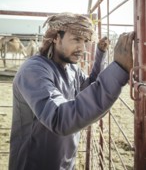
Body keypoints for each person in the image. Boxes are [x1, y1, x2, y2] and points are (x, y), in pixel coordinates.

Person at [9, 12, 134, 170]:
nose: (82, 47)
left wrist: (100, 55)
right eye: (76, 39)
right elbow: (59, 118)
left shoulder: (72, 69)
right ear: (56, 37)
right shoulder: (33, 71)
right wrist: (119, 69)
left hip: (66, 162)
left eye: (85, 41)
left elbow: (90, 88)